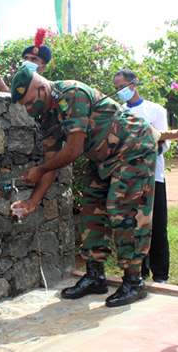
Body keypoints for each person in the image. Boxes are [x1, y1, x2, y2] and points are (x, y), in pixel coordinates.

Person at [8, 64, 159, 307]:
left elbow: (74, 149)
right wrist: (32, 201)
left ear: (43, 88)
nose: (29, 109)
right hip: (103, 158)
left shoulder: (71, 93)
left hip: (133, 147)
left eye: (30, 102)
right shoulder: (45, 114)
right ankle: (95, 276)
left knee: (122, 209)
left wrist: (39, 170)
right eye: (25, 105)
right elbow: (51, 160)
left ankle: (134, 280)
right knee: (90, 209)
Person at [113, 70, 178, 283]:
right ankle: (138, 271)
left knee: (157, 225)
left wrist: (142, 154)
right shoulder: (118, 112)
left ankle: (160, 274)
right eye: (116, 88)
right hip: (129, 179)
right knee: (133, 225)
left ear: (134, 84)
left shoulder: (155, 110)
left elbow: (163, 142)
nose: (119, 91)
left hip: (153, 177)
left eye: (121, 86)